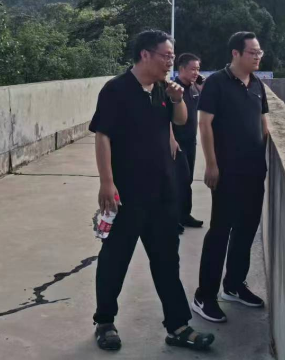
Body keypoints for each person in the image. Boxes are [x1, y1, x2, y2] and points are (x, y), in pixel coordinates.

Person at [91, 29, 215, 352]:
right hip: (127, 194)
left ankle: (178, 326)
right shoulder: (116, 90)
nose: (170, 62)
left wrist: (177, 99)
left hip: (163, 193)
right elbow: (102, 136)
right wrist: (107, 182)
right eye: (166, 56)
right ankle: (105, 322)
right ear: (145, 54)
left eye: (172, 57)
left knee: (166, 261)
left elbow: (181, 121)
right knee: (115, 259)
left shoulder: (163, 88)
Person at [192, 31, 270, 323]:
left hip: (254, 171)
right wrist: (211, 164)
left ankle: (234, 285)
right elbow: (205, 124)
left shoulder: (257, 84)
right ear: (236, 53)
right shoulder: (217, 83)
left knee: (247, 230)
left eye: (259, 52)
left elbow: (264, 124)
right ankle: (204, 295)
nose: (258, 56)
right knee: (220, 232)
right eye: (253, 52)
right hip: (227, 172)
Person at [172, 53, 205, 234]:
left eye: (198, 69)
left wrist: (200, 83)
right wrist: (171, 139)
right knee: (178, 181)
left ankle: (185, 215)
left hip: (190, 141)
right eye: (192, 69)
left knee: (188, 179)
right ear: (181, 68)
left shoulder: (194, 89)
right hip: (176, 142)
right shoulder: (173, 89)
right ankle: (174, 219)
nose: (196, 72)